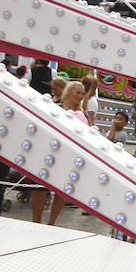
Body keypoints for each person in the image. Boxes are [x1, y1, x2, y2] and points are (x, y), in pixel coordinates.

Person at [31, 81, 89, 225]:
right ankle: (36, 220)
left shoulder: (83, 115)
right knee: (39, 187)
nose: (80, 96)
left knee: (61, 191)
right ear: (69, 92)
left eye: (82, 94)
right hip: (48, 153)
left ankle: (52, 222)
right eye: (78, 93)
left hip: (67, 157)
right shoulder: (54, 108)